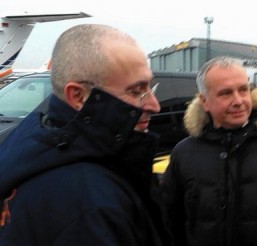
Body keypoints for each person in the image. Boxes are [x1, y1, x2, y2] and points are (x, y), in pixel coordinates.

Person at [0, 24, 169, 245]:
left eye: (150, 88)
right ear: (78, 96)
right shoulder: (90, 204)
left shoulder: (30, 147)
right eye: (136, 91)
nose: (154, 105)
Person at [161, 56, 257, 246]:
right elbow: (169, 223)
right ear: (204, 101)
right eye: (226, 93)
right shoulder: (184, 153)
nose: (238, 101)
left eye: (243, 90)